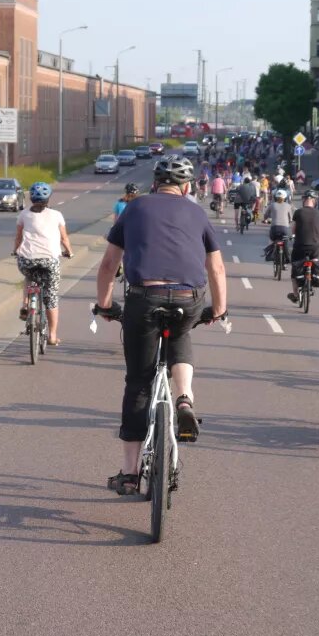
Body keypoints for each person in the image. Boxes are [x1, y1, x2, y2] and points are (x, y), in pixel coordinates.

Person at [94, 156, 228, 496]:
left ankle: (128, 473)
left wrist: (105, 305)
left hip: (145, 296)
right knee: (181, 334)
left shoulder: (134, 209)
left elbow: (109, 263)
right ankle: (184, 399)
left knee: (139, 381)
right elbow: (217, 269)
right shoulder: (197, 213)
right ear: (186, 187)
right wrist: (219, 309)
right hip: (188, 296)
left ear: (155, 183)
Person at [13, 182, 74, 346]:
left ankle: (25, 304)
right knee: (51, 297)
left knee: (29, 276)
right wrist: (69, 251)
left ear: (31, 198)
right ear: (48, 198)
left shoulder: (23, 215)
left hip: (26, 260)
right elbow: (64, 238)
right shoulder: (56, 215)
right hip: (50, 261)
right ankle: (53, 336)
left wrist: (15, 250)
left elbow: (18, 238)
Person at [288, 190, 319, 303]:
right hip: (314, 247)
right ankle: (313, 279)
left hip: (300, 246)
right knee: (315, 261)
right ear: (314, 201)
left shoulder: (298, 212)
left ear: (304, 200)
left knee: (294, 270)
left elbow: (293, 229)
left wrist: (294, 235)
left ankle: (295, 294)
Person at [263, 188, 293, 261]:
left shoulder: (272, 205)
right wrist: (289, 222)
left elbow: (266, 215)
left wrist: (265, 220)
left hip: (274, 229)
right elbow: (291, 218)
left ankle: (270, 253)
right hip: (285, 230)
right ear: (285, 198)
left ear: (275, 197)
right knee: (286, 241)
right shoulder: (288, 206)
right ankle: (287, 259)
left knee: (271, 239)